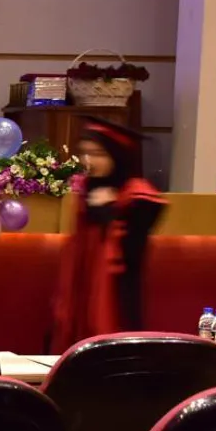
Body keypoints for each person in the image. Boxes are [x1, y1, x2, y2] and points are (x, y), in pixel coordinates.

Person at [52, 118, 166, 351]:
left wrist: (110, 212)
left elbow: (132, 254)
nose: (89, 161)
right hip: (80, 291)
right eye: (85, 153)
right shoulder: (88, 189)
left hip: (117, 296)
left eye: (98, 154)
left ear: (117, 155)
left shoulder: (140, 198)